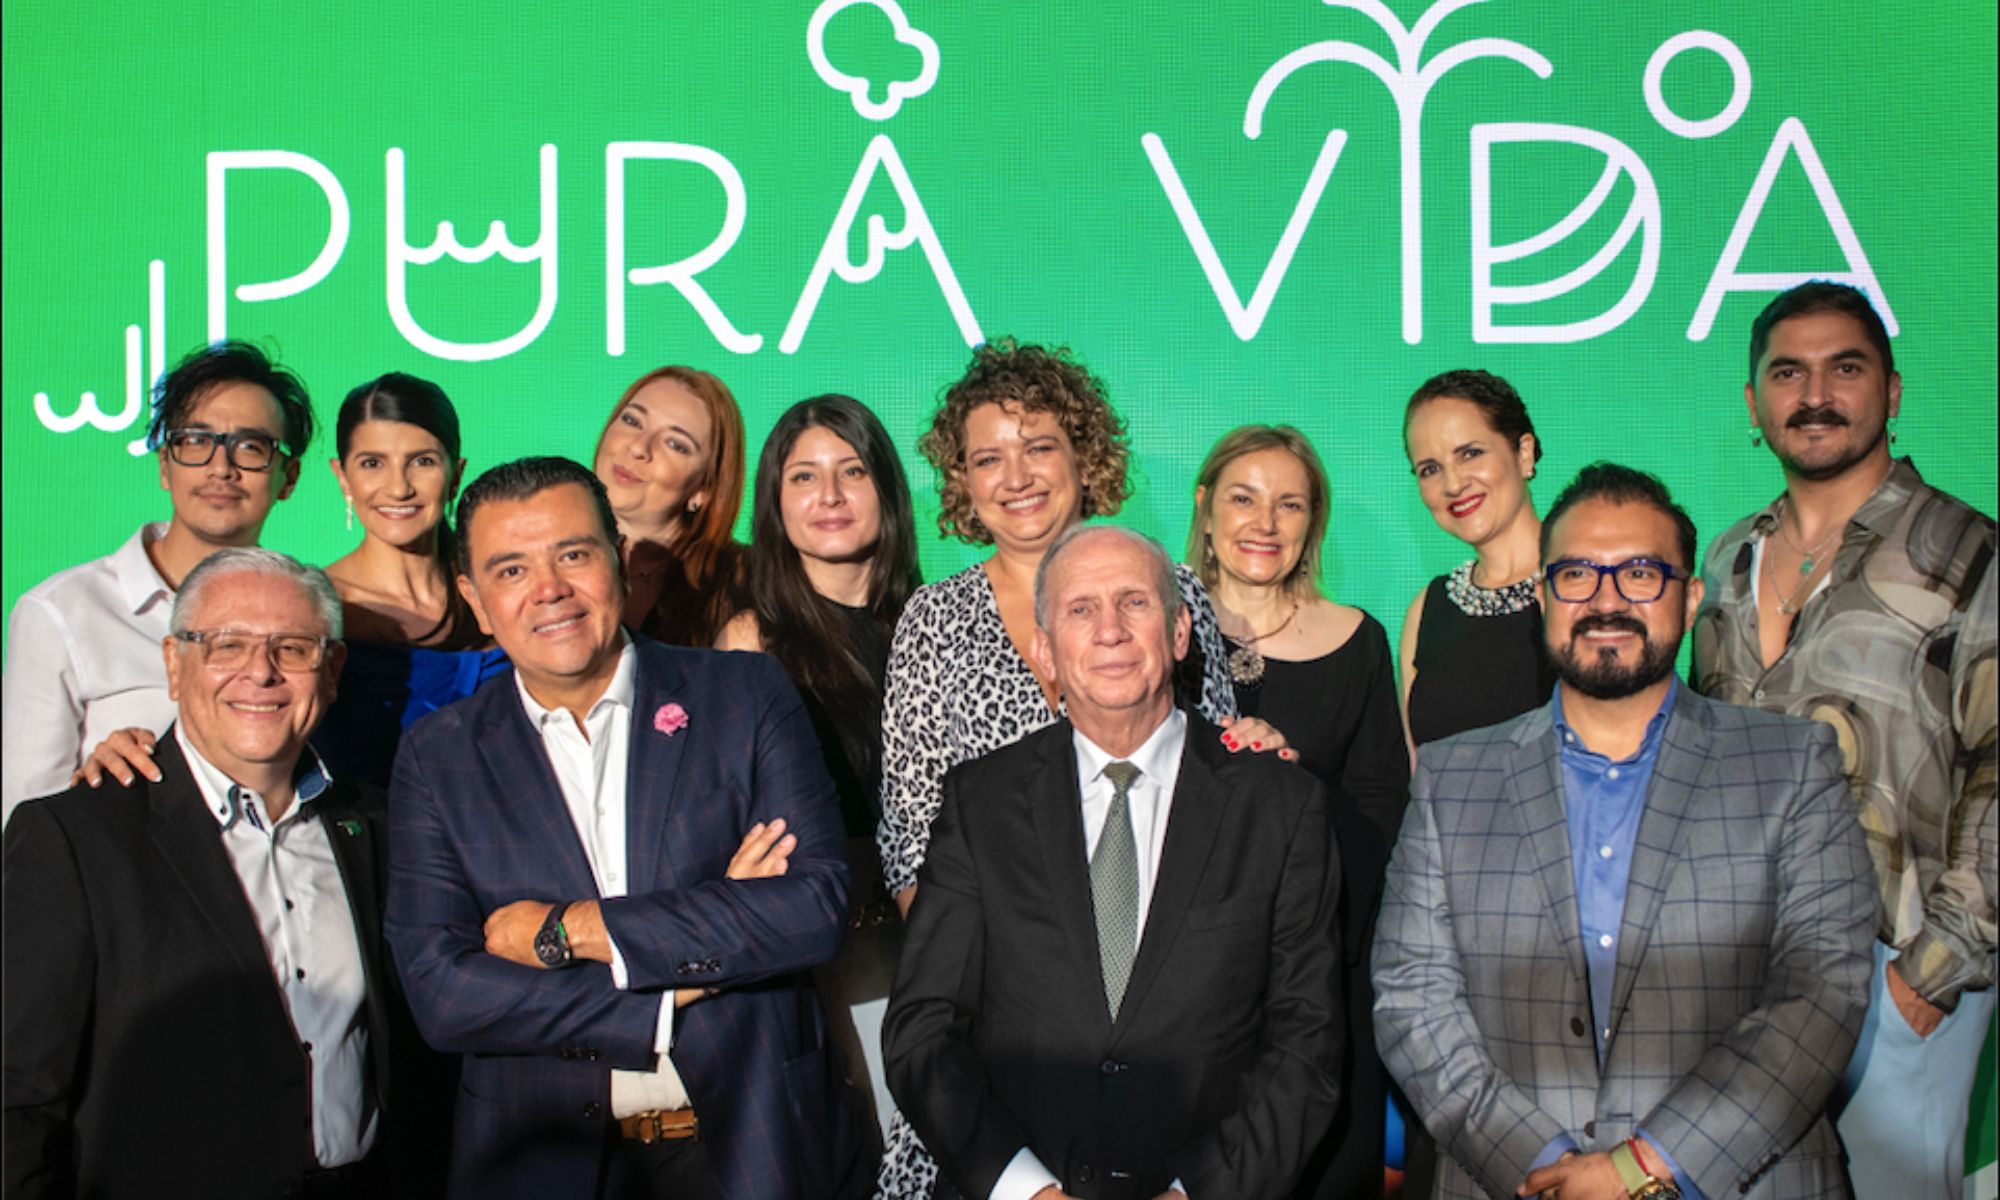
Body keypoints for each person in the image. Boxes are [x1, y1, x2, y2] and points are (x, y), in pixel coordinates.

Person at [1374, 463, 1876, 1200]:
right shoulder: (1452, 778)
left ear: (1691, 597)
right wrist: (1545, 1167)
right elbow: (1411, 1000)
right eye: (1576, 574)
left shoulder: (1791, 764)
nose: (1605, 601)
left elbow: (1821, 992)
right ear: (1542, 596)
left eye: (1640, 573)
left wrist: (1642, 1167)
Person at [385, 456, 865, 1199]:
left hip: (752, 1146)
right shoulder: (437, 754)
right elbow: (443, 994)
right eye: (511, 570)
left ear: (620, 559)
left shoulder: (744, 694)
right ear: (475, 599)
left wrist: (568, 930)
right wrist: (681, 982)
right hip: (541, 1163)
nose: (549, 589)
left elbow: (811, 908)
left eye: (573, 555)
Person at [874, 338, 1285, 1200]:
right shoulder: (933, 621)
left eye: (1039, 447)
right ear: (962, 481)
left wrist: (1253, 745)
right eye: (988, 458)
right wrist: (1032, 997)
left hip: (1166, 1037)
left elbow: (1213, 787)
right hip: (999, 1045)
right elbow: (913, 847)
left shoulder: (1175, 590)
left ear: (1083, 456)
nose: (1016, 476)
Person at [884, 524, 1344, 1200]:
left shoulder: (1281, 804)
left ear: (1180, 632)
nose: (1110, 631)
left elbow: (1308, 1041)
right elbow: (922, 1031)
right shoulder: (980, 802)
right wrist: (1027, 1192)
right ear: (1045, 651)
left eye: (1134, 602)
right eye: (1081, 609)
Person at [3, 548, 447, 1197]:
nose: (260, 672)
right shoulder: (74, 838)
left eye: (292, 648)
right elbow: (17, 1095)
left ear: (332, 670)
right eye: (227, 645)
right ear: (174, 664)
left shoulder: (378, 825)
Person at [1692, 281, 1997, 1200]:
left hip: (1896, 973)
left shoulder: (1967, 550)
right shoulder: (1727, 558)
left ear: (1892, 392)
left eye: (1845, 368)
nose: (1815, 394)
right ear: (1754, 403)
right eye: (1788, 372)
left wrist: (1928, 978)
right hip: (1737, 976)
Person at [74, 372, 511, 793]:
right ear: (342, 476)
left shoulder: (501, 589)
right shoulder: (307, 608)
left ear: (456, 473)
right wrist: (128, 749)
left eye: (422, 462)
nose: (398, 488)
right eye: (372, 463)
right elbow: (235, 725)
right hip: (364, 837)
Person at [1187, 424, 1406, 1200]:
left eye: (1290, 504)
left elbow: (1382, 811)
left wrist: (1295, 778)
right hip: (1188, 984)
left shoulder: (1358, 639)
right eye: (1243, 498)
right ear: (1205, 506)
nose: (1265, 523)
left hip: (1321, 971)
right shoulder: (1155, 630)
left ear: (1314, 521)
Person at [717, 393, 922, 1150]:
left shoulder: (935, 621)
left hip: (948, 936)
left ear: (887, 492)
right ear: (775, 503)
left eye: (853, 471)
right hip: (834, 948)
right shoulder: (752, 641)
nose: (829, 495)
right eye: (803, 476)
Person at [2, 340, 312, 822]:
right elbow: (22, 820)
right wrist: (94, 787)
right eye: (196, 442)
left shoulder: (305, 617)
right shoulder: (62, 612)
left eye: (250, 448)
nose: (221, 468)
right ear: (165, 464)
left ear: (287, 476)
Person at [1397, 368, 1558, 753]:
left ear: (1523, 453)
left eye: (1470, 454)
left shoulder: (1587, 584)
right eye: (1430, 469)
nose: (1453, 484)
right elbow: (1418, 773)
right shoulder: (1428, 609)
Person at [592, 365, 748, 647]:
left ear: (704, 489)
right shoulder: (536, 546)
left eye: (675, 444)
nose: (638, 447)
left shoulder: (747, 583)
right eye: (632, 420)